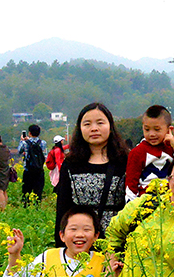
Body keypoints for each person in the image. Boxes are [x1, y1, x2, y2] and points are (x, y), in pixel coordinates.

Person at [54, 103, 129, 245]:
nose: (94, 128)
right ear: (80, 128)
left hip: (116, 240)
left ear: (110, 126)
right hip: (80, 240)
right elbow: (63, 206)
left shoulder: (124, 161)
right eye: (87, 124)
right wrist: (61, 246)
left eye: (100, 123)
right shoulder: (71, 163)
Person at [125, 105, 174, 200]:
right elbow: (131, 184)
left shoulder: (172, 149)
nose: (151, 134)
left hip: (171, 201)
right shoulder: (137, 152)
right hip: (146, 202)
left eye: (157, 129)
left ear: (169, 129)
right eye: (147, 129)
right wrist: (131, 206)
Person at [18, 124, 47, 204]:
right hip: (39, 170)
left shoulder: (25, 143)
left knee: (26, 191)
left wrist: (22, 140)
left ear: (29, 133)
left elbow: (19, 151)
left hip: (28, 170)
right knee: (38, 192)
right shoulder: (43, 143)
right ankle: (37, 206)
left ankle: (25, 206)